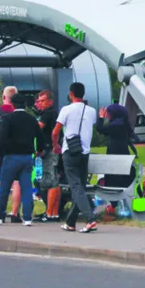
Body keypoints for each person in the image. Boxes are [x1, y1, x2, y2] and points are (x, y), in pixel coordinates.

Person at [0, 96, 40, 226]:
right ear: (25, 105)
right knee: (26, 188)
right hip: (27, 157)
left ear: (12, 105)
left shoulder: (7, 119)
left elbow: (1, 138)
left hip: (11, 156)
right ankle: (27, 217)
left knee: (4, 186)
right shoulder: (32, 120)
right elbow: (40, 136)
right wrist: (40, 150)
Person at [52, 82, 98, 233]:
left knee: (76, 187)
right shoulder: (91, 111)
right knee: (80, 187)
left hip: (69, 151)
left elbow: (55, 131)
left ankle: (90, 218)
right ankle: (71, 222)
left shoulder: (66, 110)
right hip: (84, 152)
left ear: (71, 94)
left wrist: (55, 145)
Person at [0, 86, 23, 222]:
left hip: (0, 151)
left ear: (3, 97)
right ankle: (15, 213)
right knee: (16, 182)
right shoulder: (19, 112)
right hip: (16, 151)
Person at [33, 90, 62, 223]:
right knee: (52, 181)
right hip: (50, 149)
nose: (40, 103)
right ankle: (54, 212)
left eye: (43, 101)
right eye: (39, 101)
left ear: (50, 101)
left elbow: (38, 128)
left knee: (51, 182)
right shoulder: (51, 113)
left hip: (50, 150)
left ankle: (50, 213)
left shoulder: (48, 113)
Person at [96, 103, 137, 187]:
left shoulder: (116, 125)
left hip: (115, 158)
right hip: (123, 156)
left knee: (115, 182)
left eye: (108, 113)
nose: (107, 115)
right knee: (126, 182)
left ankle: (114, 199)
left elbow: (100, 129)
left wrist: (101, 117)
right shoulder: (123, 123)